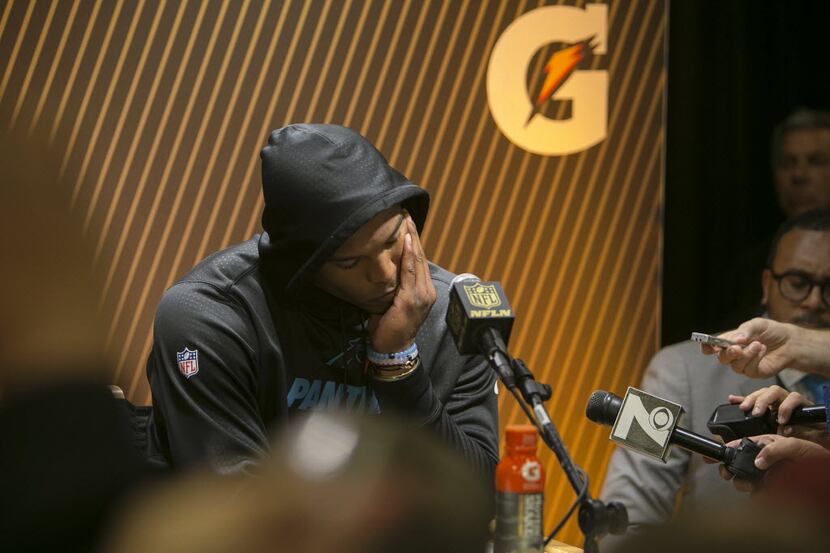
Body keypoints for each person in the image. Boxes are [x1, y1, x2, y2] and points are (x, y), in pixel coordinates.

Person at [145, 124, 499, 477]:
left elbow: (477, 495)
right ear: (303, 264)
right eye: (349, 262)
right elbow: (234, 509)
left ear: (409, 218)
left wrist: (397, 363)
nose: (385, 274)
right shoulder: (210, 316)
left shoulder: (453, 312)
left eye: (392, 241)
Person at [599, 209, 830, 543]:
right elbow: (623, 517)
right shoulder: (674, 369)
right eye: (797, 283)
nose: (814, 302)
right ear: (767, 284)